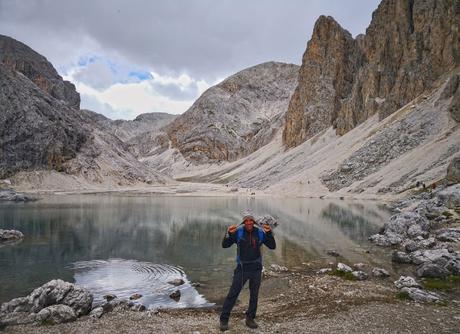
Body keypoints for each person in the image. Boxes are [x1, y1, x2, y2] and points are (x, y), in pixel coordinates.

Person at [219, 213, 276, 331]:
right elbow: (225, 245)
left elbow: (272, 246)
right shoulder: (238, 232)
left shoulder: (260, 233)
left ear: (254, 222)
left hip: (256, 269)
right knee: (233, 294)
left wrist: (269, 233)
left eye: (251, 221)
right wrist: (228, 234)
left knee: (254, 295)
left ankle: (250, 318)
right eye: (246, 221)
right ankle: (224, 319)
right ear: (244, 222)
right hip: (242, 268)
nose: (249, 222)